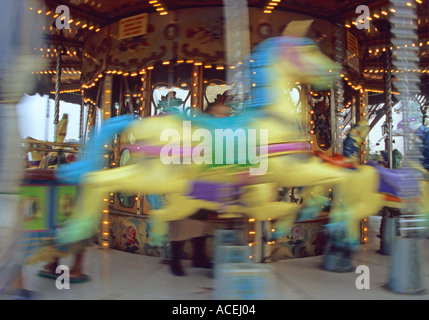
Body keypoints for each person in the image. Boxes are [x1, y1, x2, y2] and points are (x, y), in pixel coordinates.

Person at [169, 101, 231, 276]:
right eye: (221, 114)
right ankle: (175, 260)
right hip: (187, 182)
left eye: (226, 115)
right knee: (183, 222)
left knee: (202, 221)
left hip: (205, 183)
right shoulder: (195, 129)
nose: (224, 118)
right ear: (210, 113)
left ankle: (199, 257)